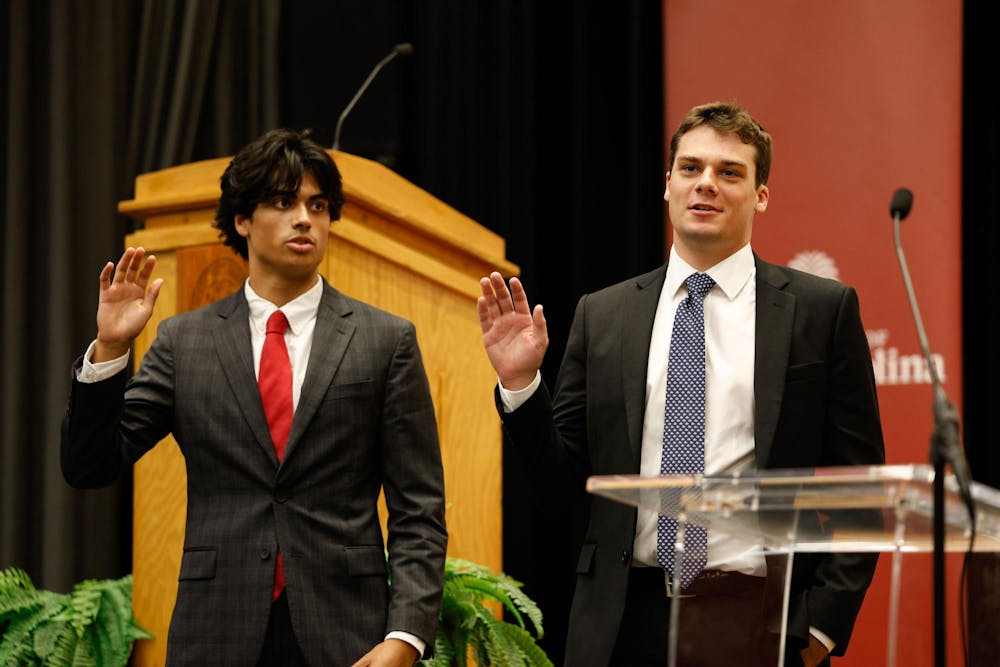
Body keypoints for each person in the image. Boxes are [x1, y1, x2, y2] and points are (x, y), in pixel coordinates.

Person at [477, 101, 885, 667]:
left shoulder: (821, 311)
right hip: (623, 622)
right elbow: (560, 485)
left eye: (730, 172)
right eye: (691, 169)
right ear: (667, 185)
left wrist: (819, 629)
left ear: (761, 194)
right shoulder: (604, 314)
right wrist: (521, 385)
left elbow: (860, 488)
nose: (706, 185)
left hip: (760, 620)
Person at [61, 128, 448, 666]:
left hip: (351, 635)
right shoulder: (184, 342)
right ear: (242, 219)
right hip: (216, 632)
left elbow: (419, 511)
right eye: (284, 202)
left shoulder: (386, 340)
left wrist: (405, 637)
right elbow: (90, 464)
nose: (305, 219)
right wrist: (110, 348)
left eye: (318, 205)